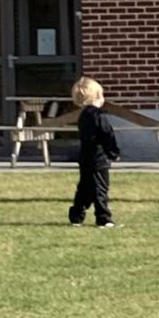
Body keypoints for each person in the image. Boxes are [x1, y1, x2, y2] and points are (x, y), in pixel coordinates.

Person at [67, 76, 119, 230]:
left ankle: (76, 215)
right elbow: (107, 135)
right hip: (99, 158)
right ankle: (103, 218)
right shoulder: (99, 115)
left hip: (85, 157)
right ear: (97, 96)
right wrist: (113, 152)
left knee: (84, 188)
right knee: (100, 188)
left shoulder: (83, 116)